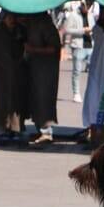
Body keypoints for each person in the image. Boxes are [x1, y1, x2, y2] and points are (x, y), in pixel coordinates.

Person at [23, 12, 62, 145]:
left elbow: (53, 48)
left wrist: (33, 49)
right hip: (35, 69)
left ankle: (46, 132)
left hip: (45, 71)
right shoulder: (32, 24)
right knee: (35, 99)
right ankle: (40, 129)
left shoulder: (45, 25)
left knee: (43, 99)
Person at [0, 12, 26, 138]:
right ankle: (1, 125)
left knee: (16, 99)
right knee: (1, 98)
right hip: (2, 70)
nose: (12, 20)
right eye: (9, 17)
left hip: (17, 69)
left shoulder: (20, 30)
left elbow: (24, 47)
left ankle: (16, 127)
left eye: (13, 17)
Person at [62, 1, 96, 103]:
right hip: (78, 46)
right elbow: (67, 29)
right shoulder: (73, 15)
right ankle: (76, 93)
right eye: (86, 5)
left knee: (92, 71)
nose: (87, 7)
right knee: (77, 71)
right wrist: (82, 30)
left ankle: (91, 93)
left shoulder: (91, 15)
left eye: (89, 5)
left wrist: (92, 31)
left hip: (90, 45)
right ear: (82, 4)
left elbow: (94, 27)